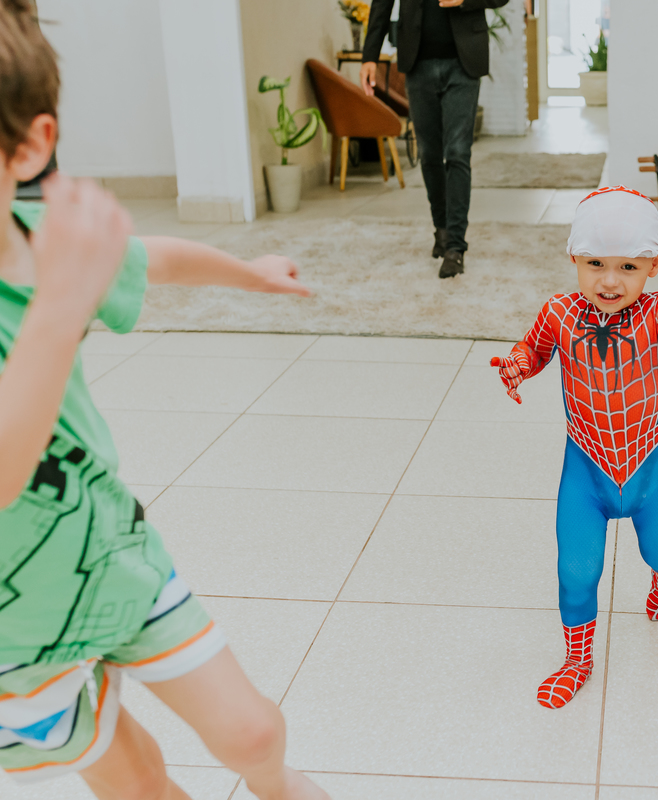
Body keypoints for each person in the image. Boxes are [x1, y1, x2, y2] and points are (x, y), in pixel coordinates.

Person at [0, 4, 327, 797]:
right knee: (137, 779)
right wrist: (54, 312)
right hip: (11, 635)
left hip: (108, 554)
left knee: (252, 731)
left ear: (29, 145)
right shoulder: (52, 283)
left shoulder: (46, 240)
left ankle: (277, 784)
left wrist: (250, 272)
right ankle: (102, 712)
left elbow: (150, 256)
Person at [489, 187, 658, 708]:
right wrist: (517, 365)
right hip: (587, 470)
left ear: (654, 265)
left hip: (648, 469)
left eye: (628, 267)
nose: (610, 281)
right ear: (573, 257)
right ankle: (578, 659)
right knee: (576, 570)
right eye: (595, 263)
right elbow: (535, 348)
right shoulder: (559, 311)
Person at [360, 0, 509, 279]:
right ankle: (441, 229)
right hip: (418, 63)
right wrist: (370, 55)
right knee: (428, 153)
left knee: (457, 152)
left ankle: (455, 246)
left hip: (463, 62)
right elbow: (382, 3)